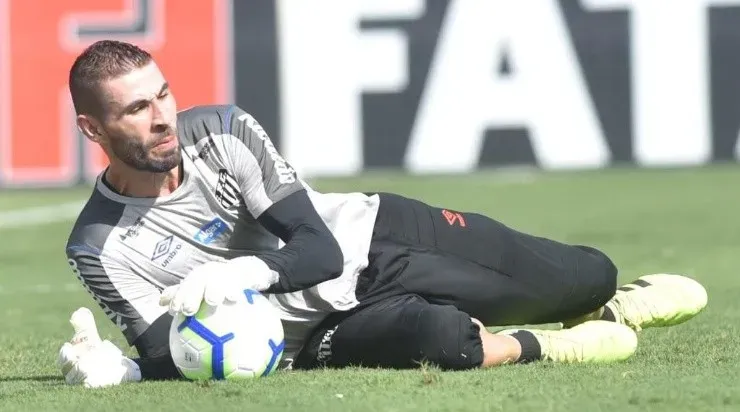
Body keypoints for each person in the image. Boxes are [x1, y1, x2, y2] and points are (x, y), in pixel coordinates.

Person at [58, 40, 708, 388]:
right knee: (442, 342)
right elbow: (168, 355)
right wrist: (128, 369)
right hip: (310, 341)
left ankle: (608, 304)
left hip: (376, 242)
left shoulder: (222, 130)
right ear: (93, 127)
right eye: (136, 109)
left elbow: (318, 250)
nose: (164, 116)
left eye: (163, 94)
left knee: (587, 274)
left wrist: (245, 274)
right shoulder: (98, 247)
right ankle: (553, 346)